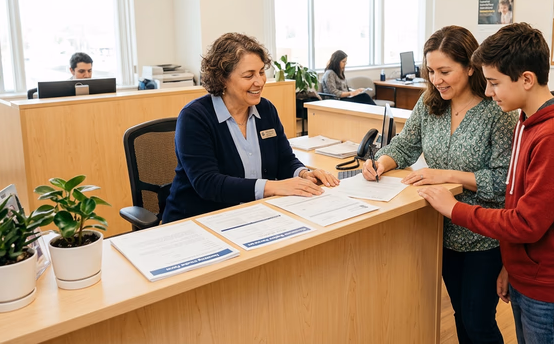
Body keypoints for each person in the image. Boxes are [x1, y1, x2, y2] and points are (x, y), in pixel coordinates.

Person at [417, 23, 554, 344]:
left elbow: (526, 222)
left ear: (526, 79)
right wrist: (511, 264)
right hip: (529, 273)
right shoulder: (528, 123)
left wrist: (454, 208)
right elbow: (519, 203)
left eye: (495, 83)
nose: (488, 92)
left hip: (551, 283)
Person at [362, 25, 517, 344]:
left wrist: (447, 175)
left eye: (445, 71)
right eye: (431, 71)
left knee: (478, 322)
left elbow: (503, 182)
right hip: (442, 231)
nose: (436, 80)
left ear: (470, 67)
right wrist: (381, 162)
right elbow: (405, 145)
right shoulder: (430, 102)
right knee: (462, 315)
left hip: (484, 237)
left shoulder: (497, 111)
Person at [162, 33, 339, 223]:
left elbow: (285, 160)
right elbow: (207, 183)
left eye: (261, 72)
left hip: (253, 216)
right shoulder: (195, 117)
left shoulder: (266, 110)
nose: (260, 82)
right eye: (249, 75)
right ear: (222, 79)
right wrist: (273, 187)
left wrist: (304, 174)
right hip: (197, 220)